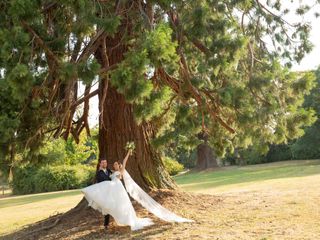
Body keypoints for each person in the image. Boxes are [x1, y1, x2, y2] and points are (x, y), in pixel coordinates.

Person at [81, 149, 193, 231]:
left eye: (116, 164)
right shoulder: (108, 172)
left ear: (118, 166)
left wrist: (128, 154)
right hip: (111, 191)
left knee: (121, 204)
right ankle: (109, 222)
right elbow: (103, 181)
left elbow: (123, 164)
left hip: (118, 189)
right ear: (101, 164)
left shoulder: (118, 171)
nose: (114, 165)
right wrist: (102, 170)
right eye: (113, 164)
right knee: (112, 206)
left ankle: (126, 219)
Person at [95, 158, 113, 229]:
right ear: (100, 164)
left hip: (111, 191)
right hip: (104, 193)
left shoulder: (109, 171)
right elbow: (100, 182)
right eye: (103, 163)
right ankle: (106, 224)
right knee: (106, 207)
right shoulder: (99, 173)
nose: (104, 164)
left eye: (105, 162)